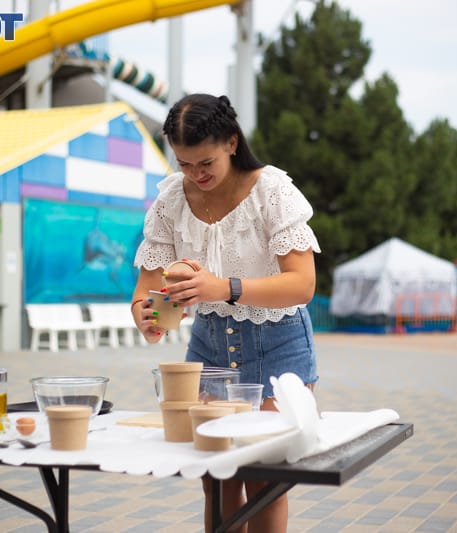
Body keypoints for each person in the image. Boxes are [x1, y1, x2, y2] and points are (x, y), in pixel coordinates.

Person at [131, 93, 320, 532]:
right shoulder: (170, 202)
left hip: (279, 341)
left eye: (206, 163)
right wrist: (146, 315)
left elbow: (302, 284)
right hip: (209, 342)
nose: (196, 176)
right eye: (184, 164)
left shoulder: (273, 192)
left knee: (263, 477)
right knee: (217, 476)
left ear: (231, 143)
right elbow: (146, 289)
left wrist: (225, 288)